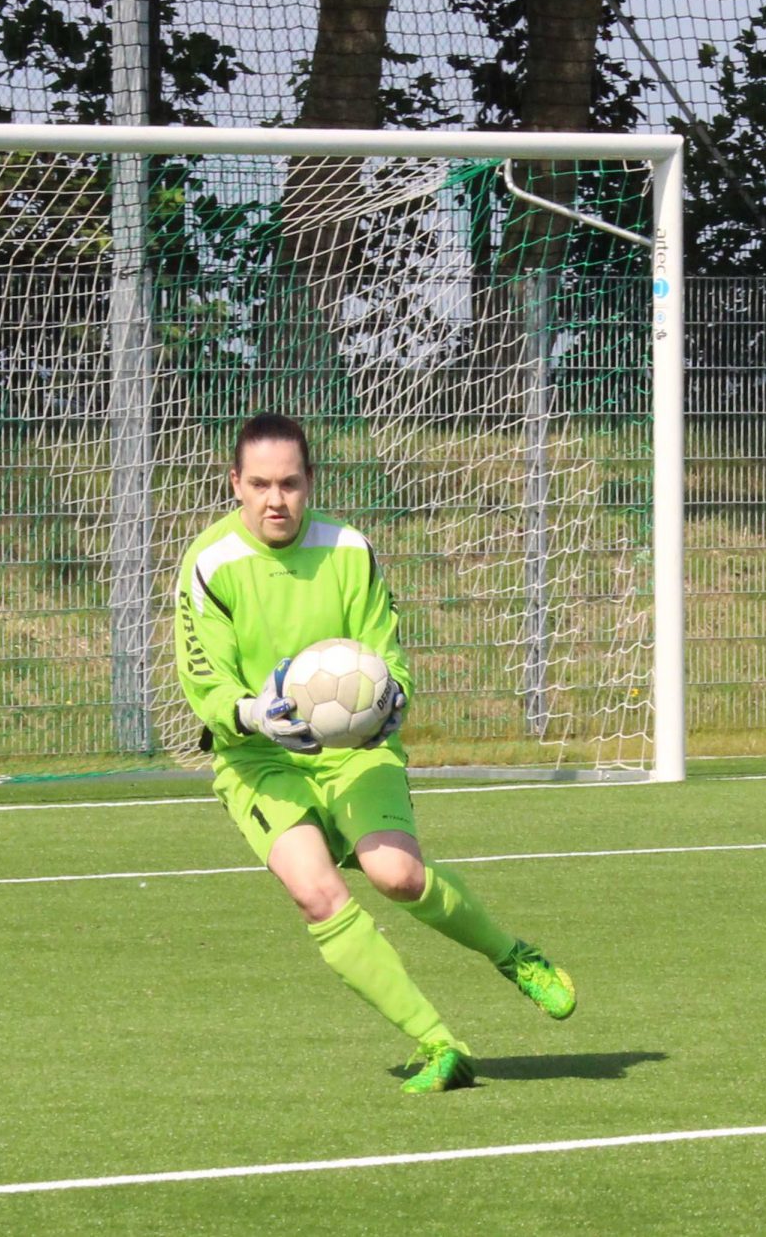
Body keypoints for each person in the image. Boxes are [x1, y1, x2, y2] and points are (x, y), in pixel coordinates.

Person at [174, 412, 576, 1094]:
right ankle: (439, 1043)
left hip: (354, 750)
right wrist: (252, 714)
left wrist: (392, 701)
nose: (276, 500)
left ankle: (514, 957)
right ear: (235, 483)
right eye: (261, 485)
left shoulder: (349, 550)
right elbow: (204, 681)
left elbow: (389, 660)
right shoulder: (210, 564)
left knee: (397, 876)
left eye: (290, 484)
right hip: (258, 758)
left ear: (311, 481)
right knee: (316, 893)